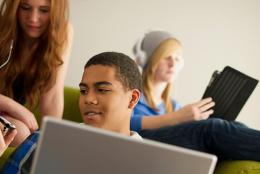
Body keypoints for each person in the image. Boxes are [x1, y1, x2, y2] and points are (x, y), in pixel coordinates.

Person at [1, 52, 143, 173]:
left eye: (102, 90)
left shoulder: (147, 163)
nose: (88, 99)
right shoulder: (43, 142)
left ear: (132, 99)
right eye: (83, 91)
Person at [131, 30, 260, 161]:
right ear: (145, 59)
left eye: (177, 58)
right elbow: (121, 123)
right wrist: (176, 117)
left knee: (235, 125)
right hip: (143, 145)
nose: (173, 63)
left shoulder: (173, 106)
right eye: (166, 56)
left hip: (174, 152)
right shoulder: (130, 96)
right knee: (212, 128)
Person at [0, 0, 73, 146]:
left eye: (44, 10)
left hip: (7, 116)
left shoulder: (62, 31)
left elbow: (53, 94)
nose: (33, 18)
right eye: (25, 8)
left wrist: (50, 139)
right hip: (10, 112)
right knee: (20, 133)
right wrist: (15, 107)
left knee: (25, 134)